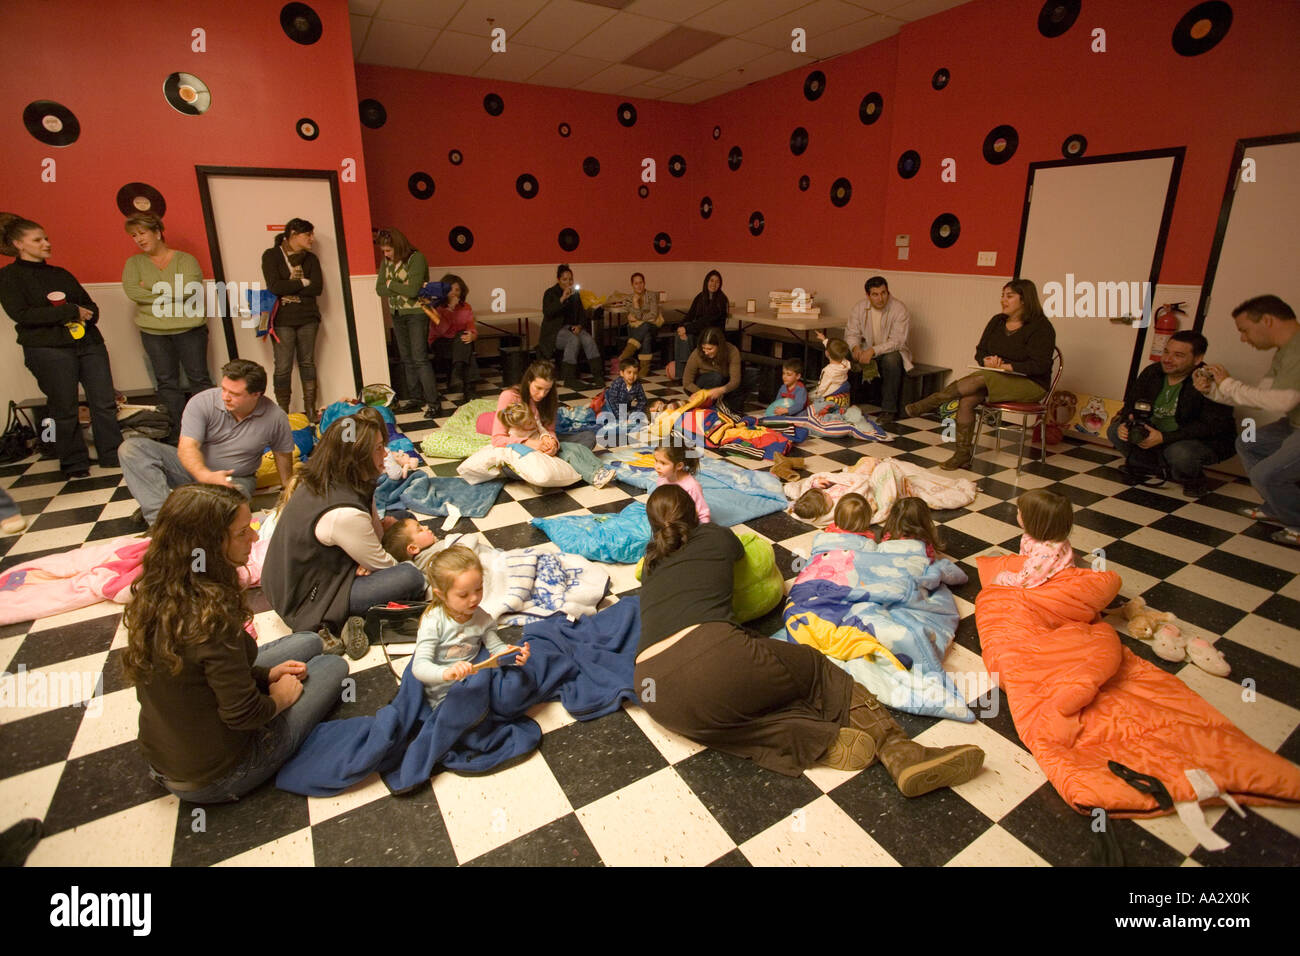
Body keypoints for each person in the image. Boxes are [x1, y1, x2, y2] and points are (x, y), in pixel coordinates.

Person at [635, 484, 984, 792]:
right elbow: (746, 561)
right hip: (714, 650)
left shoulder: (649, 563)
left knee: (716, 714)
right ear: (695, 512)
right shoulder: (715, 535)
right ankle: (900, 751)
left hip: (655, 692)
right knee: (815, 671)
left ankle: (817, 739)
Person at [123, 483, 350, 804]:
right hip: (215, 776)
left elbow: (196, 674)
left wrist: (263, 676)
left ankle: (267, 678)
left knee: (308, 642)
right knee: (332, 665)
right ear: (209, 543)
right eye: (243, 532)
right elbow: (243, 715)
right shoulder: (210, 617)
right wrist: (279, 699)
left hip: (165, 755)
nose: (255, 538)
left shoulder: (157, 589)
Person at [262, 409, 427, 658]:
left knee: (404, 520)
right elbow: (385, 564)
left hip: (312, 571)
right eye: (379, 448)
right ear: (357, 457)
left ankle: (351, 613)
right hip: (306, 601)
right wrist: (372, 563)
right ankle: (336, 623)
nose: (386, 454)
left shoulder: (333, 477)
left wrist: (368, 555)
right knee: (410, 577)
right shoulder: (344, 513)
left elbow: (374, 528)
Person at [0, 217, 123, 478]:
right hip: (48, 351)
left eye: (46, 238)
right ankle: (74, 463)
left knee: (103, 402)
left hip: (89, 345)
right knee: (63, 407)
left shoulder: (61, 274)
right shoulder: (9, 277)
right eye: (38, 240)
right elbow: (22, 314)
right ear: (18, 244)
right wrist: (70, 311)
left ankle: (112, 456)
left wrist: (85, 313)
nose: (47, 243)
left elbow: (90, 306)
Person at [119, 359, 293, 527]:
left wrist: (288, 490)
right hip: (192, 470)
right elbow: (188, 446)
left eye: (234, 394)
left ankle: (180, 506)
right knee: (132, 449)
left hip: (235, 479)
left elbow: (282, 454)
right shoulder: (202, 402)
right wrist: (205, 475)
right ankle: (162, 522)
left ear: (256, 395)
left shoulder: (275, 417)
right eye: (224, 389)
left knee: (227, 513)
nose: (225, 397)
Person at [904, 279, 1057, 470]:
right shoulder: (997, 321)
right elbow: (980, 351)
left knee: (981, 378)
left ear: (1025, 300)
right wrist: (986, 361)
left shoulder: (1042, 327)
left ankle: (929, 403)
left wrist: (1006, 367)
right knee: (967, 400)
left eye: (1009, 296)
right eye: (1002, 296)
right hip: (997, 378)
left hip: (1031, 384)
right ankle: (962, 455)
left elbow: (1040, 365)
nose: (1003, 300)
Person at [1195, 294, 1300, 548]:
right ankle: (1276, 506)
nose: (1243, 338)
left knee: (1267, 474)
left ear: (1267, 321)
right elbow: (1260, 397)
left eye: (1245, 330)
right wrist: (1213, 391)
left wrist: (1228, 383)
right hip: (1294, 423)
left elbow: (1281, 402)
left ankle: (1297, 524)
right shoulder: (1284, 352)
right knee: (1249, 441)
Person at [121, 212, 214, 443]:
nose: (139, 239)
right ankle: (181, 434)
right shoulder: (134, 263)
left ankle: (209, 429)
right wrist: (171, 292)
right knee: (166, 382)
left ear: (157, 232)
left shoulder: (186, 259)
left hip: (190, 329)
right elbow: (133, 291)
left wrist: (150, 290)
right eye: (134, 236)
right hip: (153, 332)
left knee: (199, 379)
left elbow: (190, 290)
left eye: (142, 233)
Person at [1106, 330, 1236, 496]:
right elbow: (1131, 403)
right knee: (1115, 431)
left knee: (1179, 453)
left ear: (1198, 359)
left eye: (1178, 355)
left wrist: (1164, 438)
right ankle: (1149, 467)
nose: (1167, 359)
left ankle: (1193, 480)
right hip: (1155, 432)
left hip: (1194, 440)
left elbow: (1212, 426)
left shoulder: (1209, 381)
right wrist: (1126, 422)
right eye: (1166, 352)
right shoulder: (1152, 372)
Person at [411, 546, 531, 711]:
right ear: (440, 594)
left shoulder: (481, 617)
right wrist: (447, 673)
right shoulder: (433, 622)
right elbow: (419, 667)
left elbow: (496, 648)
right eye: (463, 595)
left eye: (479, 588)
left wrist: (513, 656)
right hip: (443, 693)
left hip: (474, 680)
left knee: (517, 688)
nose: (474, 598)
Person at [491, 360, 611, 484]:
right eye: (538, 388)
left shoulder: (550, 399)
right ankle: (566, 466)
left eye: (547, 390)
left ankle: (555, 468)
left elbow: (549, 430)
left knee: (589, 437)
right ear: (528, 381)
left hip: (541, 441)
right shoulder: (510, 396)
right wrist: (528, 443)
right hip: (521, 449)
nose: (542, 394)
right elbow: (497, 439)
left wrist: (553, 443)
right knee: (508, 467)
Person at [260, 218, 323, 421]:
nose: (311, 239)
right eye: (308, 235)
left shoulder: (311, 259)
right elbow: (274, 287)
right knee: (283, 366)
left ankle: (311, 410)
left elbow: (317, 288)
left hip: (308, 318)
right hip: (281, 319)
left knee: (307, 362)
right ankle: (282, 412)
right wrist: (303, 282)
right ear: (293, 234)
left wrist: (294, 286)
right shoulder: (271, 256)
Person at [375, 228, 434, 414]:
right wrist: (401, 287)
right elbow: (379, 289)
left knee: (419, 358)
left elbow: (414, 291)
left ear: (398, 246)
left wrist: (391, 284)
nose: (385, 254)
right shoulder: (387, 261)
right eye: (383, 251)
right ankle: (415, 398)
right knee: (407, 359)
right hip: (397, 313)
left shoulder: (416, 258)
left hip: (417, 313)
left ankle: (433, 402)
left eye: (388, 250)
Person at [846, 277, 912, 426]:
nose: (880, 298)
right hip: (865, 350)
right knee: (843, 353)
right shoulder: (859, 308)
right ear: (868, 296)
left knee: (892, 359)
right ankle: (842, 403)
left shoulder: (899, 309)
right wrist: (855, 347)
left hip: (888, 352)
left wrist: (873, 351)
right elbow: (851, 333)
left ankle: (889, 410)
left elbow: (897, 341)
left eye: (883, 293)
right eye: (875, 294)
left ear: (888, 292)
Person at [991, 489, 1075, 588]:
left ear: (1033, 522)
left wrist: (1001, 578)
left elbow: (1023, 582)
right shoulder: (1049, 532)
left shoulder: (1046, 552)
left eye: (1020, 512)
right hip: (1036, 573)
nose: (1017, 512)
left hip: (1048, 588)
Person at [540, 264, 602, 389]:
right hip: (555, 332)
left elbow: (582, 315)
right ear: (558, 280)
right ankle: (569, 378)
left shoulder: (575, 295)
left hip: (573, 328)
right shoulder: (550, 293)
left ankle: (598, 375)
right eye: (564, 279)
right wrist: (562, 299)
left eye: (570, 279)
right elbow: (548, 312)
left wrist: (579, 325)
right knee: (573, 339)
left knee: (588, 340)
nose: (568, 282)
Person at [423, 273, 478, 403]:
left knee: (464, 338)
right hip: (440, 342)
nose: (454, 293)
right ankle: (469, 390)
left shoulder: (466, 307)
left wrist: (473, 335)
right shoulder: (436, 307)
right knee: (466, 349)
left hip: (459, 343)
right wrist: (450, 309)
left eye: (457, 290)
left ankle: (457, 370)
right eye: (450, 290)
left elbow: (471, 327)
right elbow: (441, 330)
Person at [675, 269, 728, 377]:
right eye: (711, 280)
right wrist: (681, 327)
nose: (714, 284)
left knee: (688, 336)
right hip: (700, 330)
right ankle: (681, 374)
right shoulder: (700, 297)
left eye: (717, 282)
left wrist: (687, 329)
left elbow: (707, 321)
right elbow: (690, 315)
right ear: (706, 282)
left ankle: (688, 372)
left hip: (713, 333)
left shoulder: (721, 300)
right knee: (680, 336)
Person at [615, 272, 663, 378]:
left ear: (644, 283)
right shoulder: (628, 299)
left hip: (652, 327)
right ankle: (644, 369)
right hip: (635, 330)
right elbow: (646, 315)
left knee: (646, 326)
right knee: (646, 335)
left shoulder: (652, 295)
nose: (639, 285)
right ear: (632, 285)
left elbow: (653, 315)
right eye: (636, 283)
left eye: (641, 282)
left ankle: (624, 356)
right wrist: (636, 303)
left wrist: (638, 317)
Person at [682, 327, 742, 412]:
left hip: (723, 384)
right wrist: (703, 394)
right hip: (699, 386)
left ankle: (725, 405)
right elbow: (687, 383)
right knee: (716, 377)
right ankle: (708, 405)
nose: (706, 352)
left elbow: (735, 381)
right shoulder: (697, 354)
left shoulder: (732, 351)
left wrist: (721, 390)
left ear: (719, 347)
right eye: (704, 348)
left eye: (710, 349)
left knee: (748, 376)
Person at [653, 442, 710, 524]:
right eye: (656, 461)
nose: (656, 466)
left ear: (679, 466)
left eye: (663, 463)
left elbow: (703, 514)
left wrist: (705, 530)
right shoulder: (662, 478)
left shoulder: (691, 487)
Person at [811, 335, 853, 414]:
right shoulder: (845, 363)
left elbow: (822, 387)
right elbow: (834, 349)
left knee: (810, 397)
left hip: (830, 398)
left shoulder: (828, 370)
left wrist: (814, 397)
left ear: (827, 353)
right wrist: (824, 340)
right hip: (842, 393)